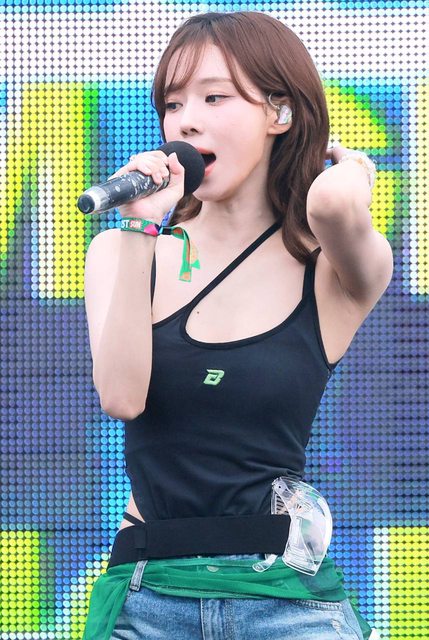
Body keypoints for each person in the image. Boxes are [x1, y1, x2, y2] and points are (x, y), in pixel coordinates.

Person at [82, 10, 392, 640]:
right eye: (173, 104)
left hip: (286, 601)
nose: (185, 121)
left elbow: (331, 202)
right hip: (148, 594)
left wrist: (353, 169)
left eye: (214, 97)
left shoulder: (327, 267)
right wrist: (143, 226)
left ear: (280, 112)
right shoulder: (120, 250)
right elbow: (121, 396)